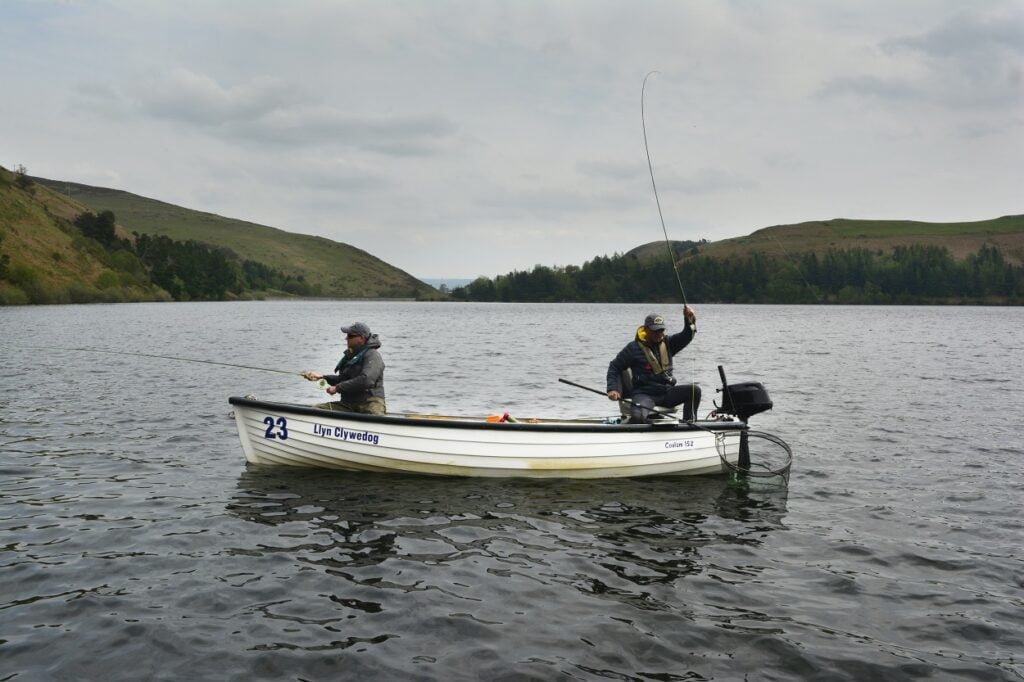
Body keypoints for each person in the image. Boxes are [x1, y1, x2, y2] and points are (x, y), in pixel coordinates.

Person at [606, 306, 701, 422]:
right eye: (655, 330)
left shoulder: (669, 343)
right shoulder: (633, 348)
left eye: (661, 330)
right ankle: (642, 431)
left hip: (667, 392)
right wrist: (613, 388)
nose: (659, 333)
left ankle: (689, 425)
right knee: (638, 416)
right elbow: (615, 367)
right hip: (644, 394)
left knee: (694, 390)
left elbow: (688, 335)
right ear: (646, 330)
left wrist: (689, 319)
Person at [302, 322, 386, 415]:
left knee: (372, 419)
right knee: (316, 410)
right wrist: (321, 377)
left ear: (361, 338)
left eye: (350, 336)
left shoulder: (372, 355)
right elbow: (343, 379)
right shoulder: (350, 356)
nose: (346, 338)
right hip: (347, 405)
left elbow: (366, 380)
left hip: (369, 403)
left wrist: (337, 388)